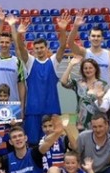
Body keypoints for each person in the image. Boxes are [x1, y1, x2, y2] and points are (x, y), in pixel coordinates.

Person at [10, 13, 67, 145]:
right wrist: (20, 34)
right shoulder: (30, 62)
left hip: (52, 109)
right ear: (33, 50)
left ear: (47, 48)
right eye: (37, 48)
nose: (40, 50)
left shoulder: (53, 62)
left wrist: (62, 29)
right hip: (33, 110)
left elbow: (63, 46)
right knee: (33, 144)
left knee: (53, 143)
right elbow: (20, 48)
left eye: (42, 48)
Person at [61, 57, 108, 131]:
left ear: (95, 69)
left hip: (98, 123)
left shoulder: (103, 84)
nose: (88, 70)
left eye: (90, 68)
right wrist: (70, 65)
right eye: (85, 68)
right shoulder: (78, 83)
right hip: (81, 122)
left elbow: (106, 106)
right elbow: (63, 82)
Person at [68, 18, 110, 86]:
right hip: (88, 91)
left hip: (105, 90)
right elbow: (70, 43)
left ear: (102, 38)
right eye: (93, 36)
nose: (96, 38)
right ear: (89, 38)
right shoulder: (84, 52)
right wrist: (75, 26)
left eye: (98, 36)